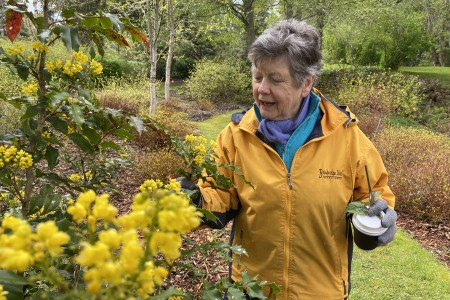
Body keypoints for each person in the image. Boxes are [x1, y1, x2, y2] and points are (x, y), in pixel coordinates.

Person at [182, 19, 397, 299]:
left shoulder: (346, 138)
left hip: (320, 292)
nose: (262, 89)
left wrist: (377, 221)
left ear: (306, 83)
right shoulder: (236, 136)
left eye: (275, 79)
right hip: (251, 290)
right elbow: (220, 197)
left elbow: (374, 196)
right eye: (257, 77)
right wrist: (190, 200)